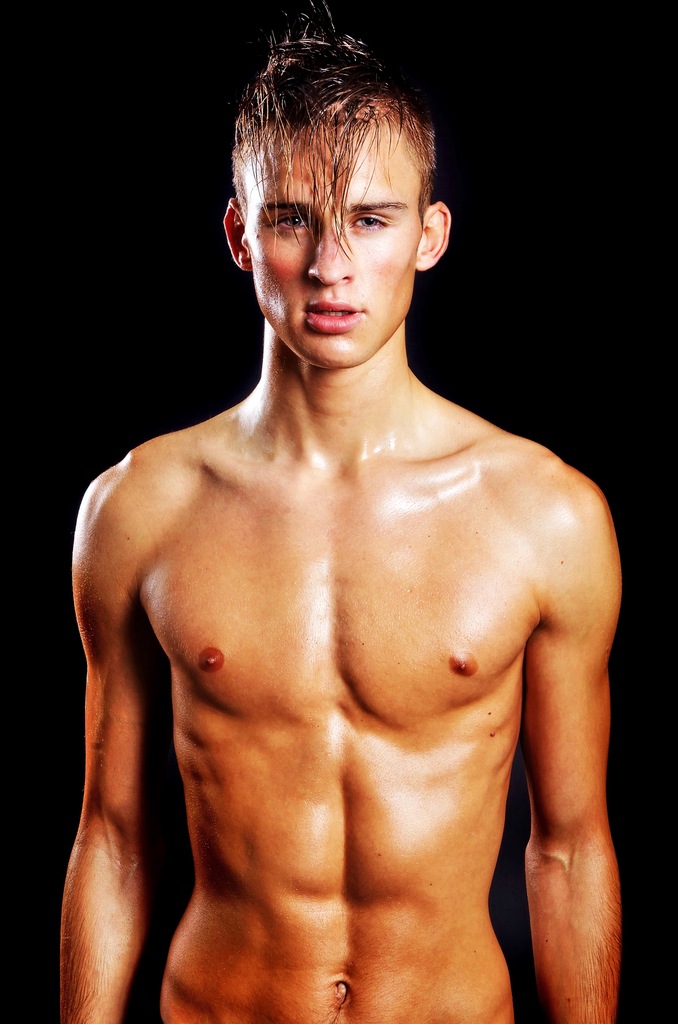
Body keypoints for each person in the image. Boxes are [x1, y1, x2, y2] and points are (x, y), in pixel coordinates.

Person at [60, 3, 622, 1022]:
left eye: (370, 219)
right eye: (291, 219)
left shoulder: (547, 515)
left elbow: (570, 848)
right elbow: (113, 838)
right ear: (240, 234)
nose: (330, 267)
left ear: (429, 235)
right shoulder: (139, 508)